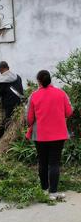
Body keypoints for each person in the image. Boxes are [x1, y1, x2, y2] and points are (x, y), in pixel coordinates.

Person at [26, 70, 74, 201]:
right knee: (54, 163)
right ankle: (53, 193)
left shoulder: (33, 96)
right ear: (50, 79)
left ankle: (44, 190)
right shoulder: (61, 93)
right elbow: (69, 112)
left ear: (38, 81)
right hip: (58, 135)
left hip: (40, 136)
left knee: (42, 162)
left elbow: (29, 119)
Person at [0, 61, 24, 139]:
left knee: (7, 121)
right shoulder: (17, 77)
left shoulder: (2, 81)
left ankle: (0, 138)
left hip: (8, 105)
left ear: (0, 69)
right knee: (16, 120)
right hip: (19, 102)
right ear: (8, 68)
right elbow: (21, 90)